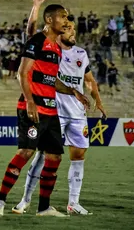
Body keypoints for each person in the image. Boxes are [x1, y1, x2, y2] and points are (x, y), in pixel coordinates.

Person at [0, 0, 90, 217]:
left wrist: (74, 91)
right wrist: (30, 101)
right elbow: (22, 72)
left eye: (67, 17)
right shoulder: (37, 41)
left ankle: (43, 207)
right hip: (33, 108)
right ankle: (0, 201)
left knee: (54, 157)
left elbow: (51, 80)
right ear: (49, 19)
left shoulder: (56, 47)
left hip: (50, 110)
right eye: (62, 16)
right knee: (26, 152)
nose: (66, 21)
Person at [13, 18, 107, 216]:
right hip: (54, 111)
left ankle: (73, 203)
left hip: (77, 114)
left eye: (73, 29)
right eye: (68, 29)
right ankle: (25, 200)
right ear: (59, 31)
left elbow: (89, 80)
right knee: (42, 156)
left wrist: (97, 99)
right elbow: (31, 33)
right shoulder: (50, 49)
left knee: (79, 155)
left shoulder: (81, 53)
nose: (72, 32)